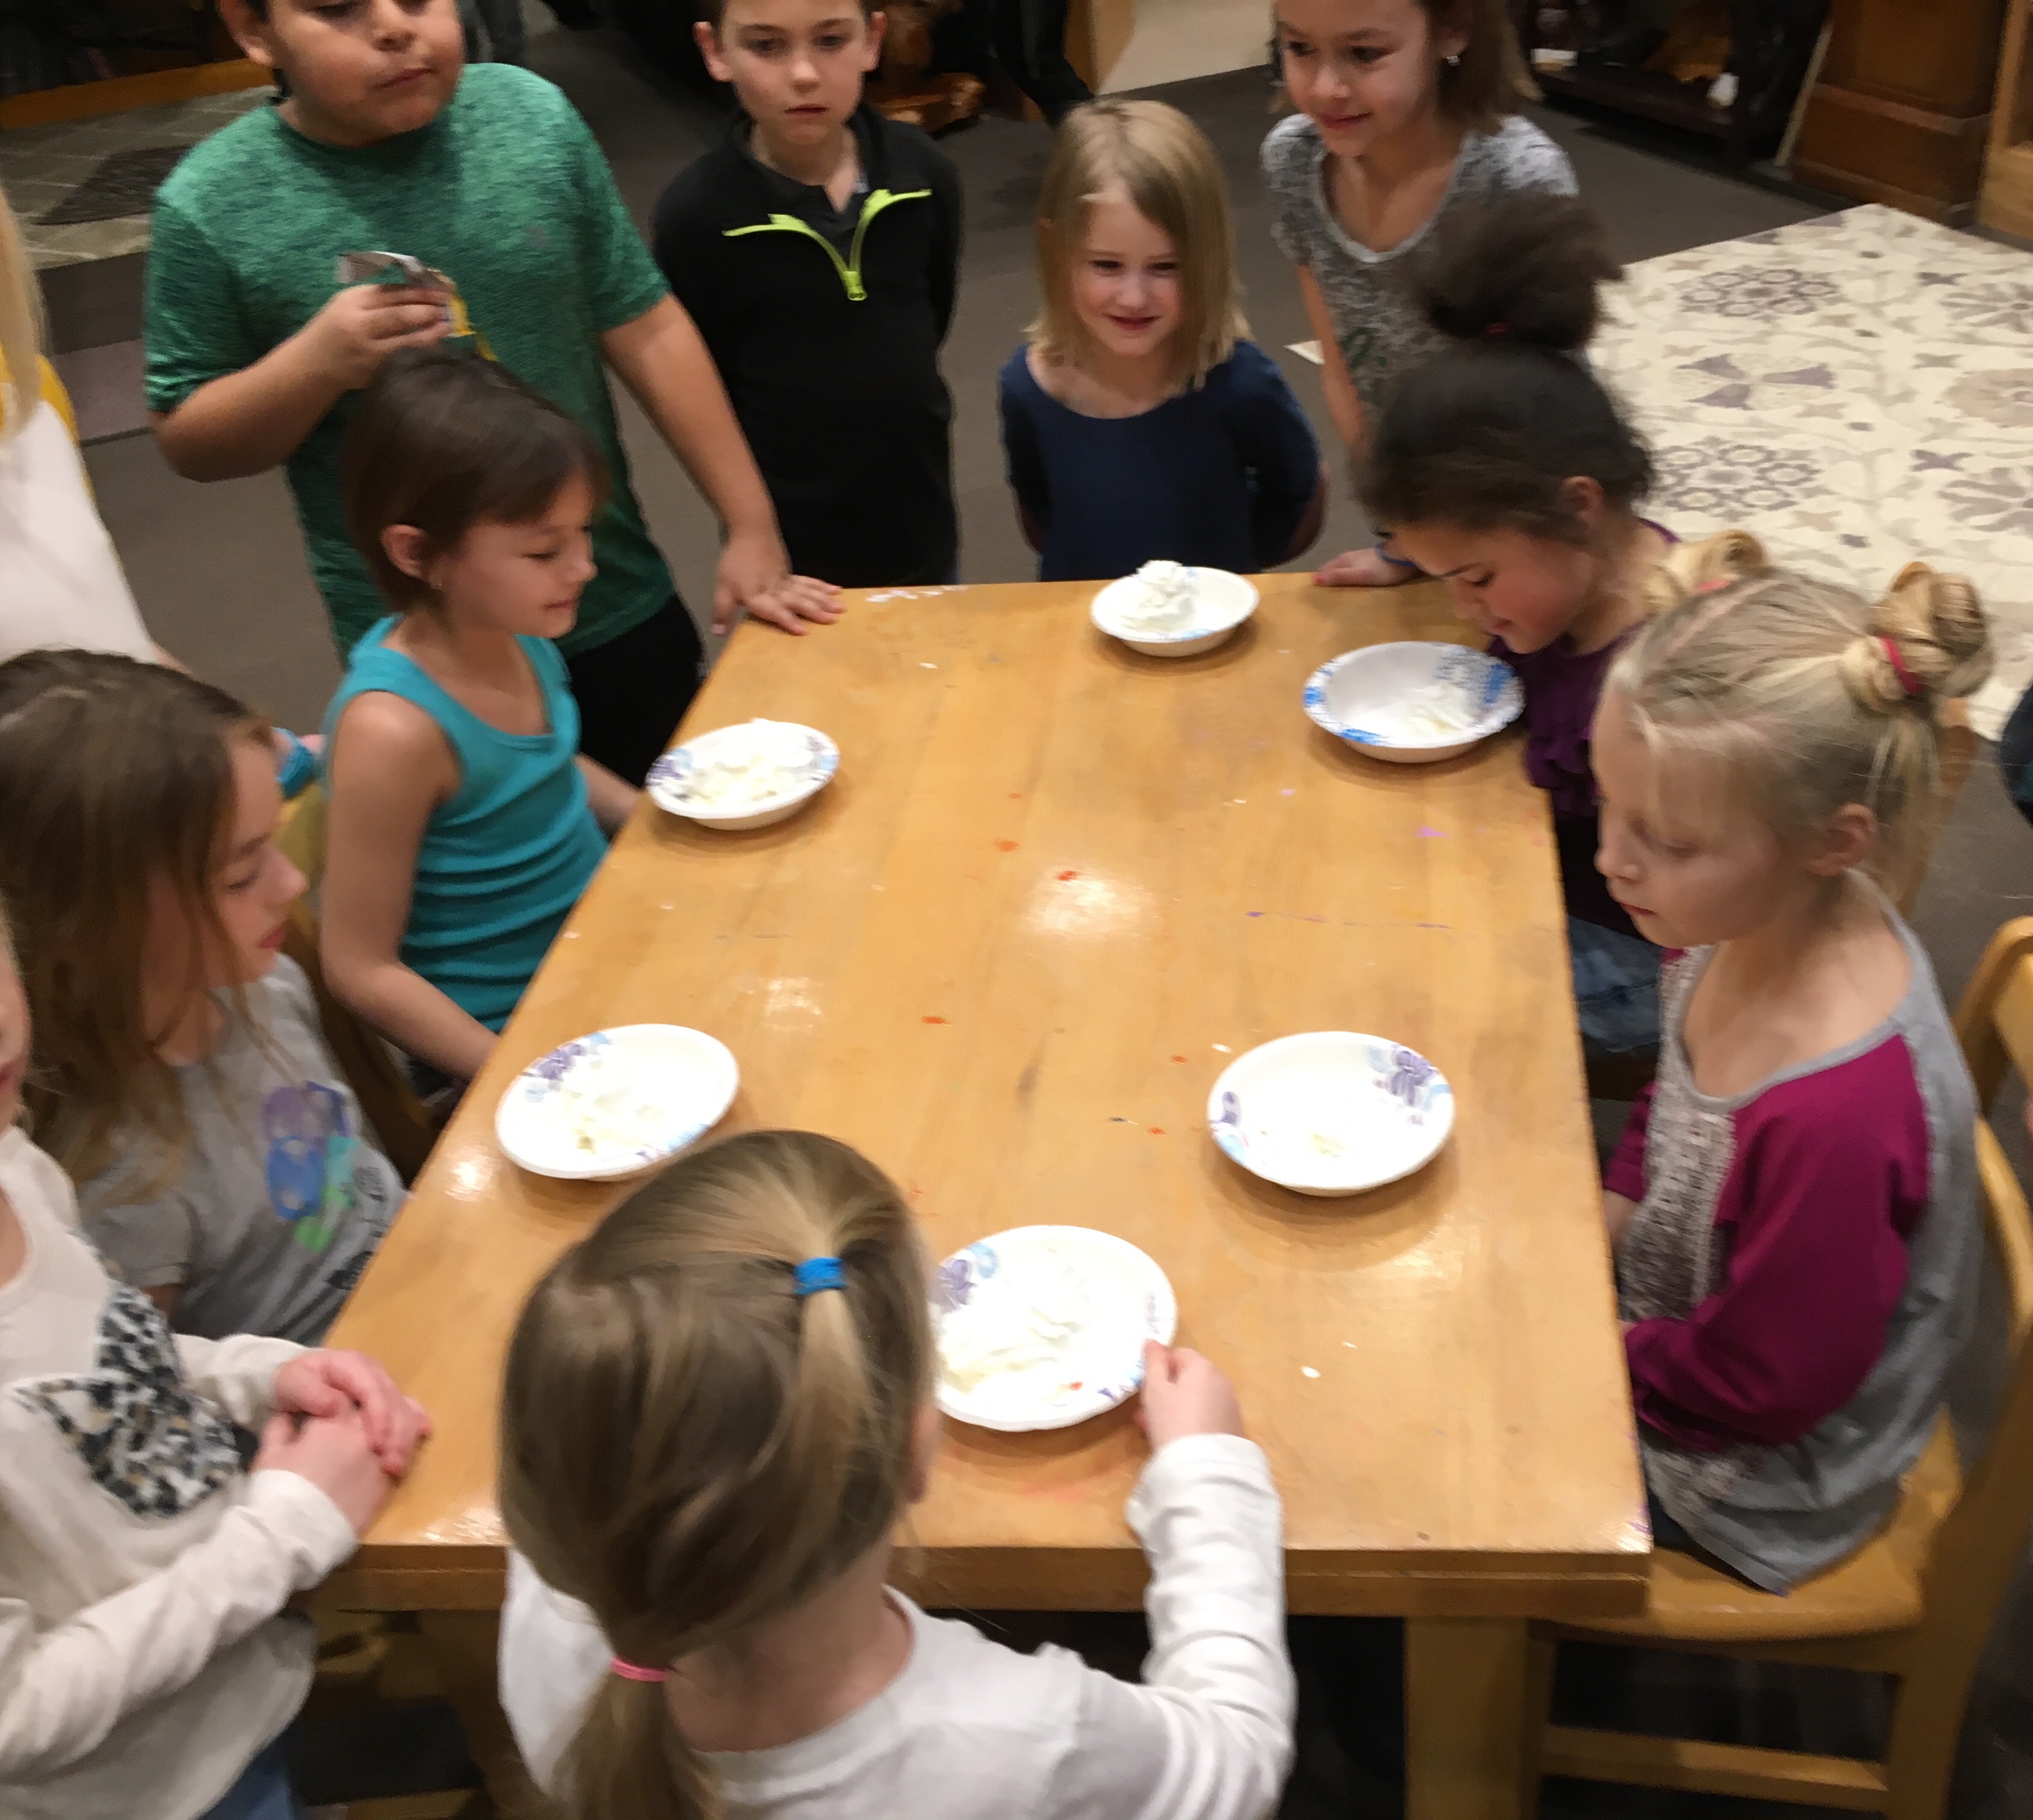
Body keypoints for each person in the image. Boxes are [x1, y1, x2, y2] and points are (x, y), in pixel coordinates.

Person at [494, 1129, 1295, 1819]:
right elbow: (1237, 1754)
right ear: (917, 1450)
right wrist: (1207, 1471)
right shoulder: (1019, 1739)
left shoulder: (551, 1618)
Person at [145, 0, 841, 788]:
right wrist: (316, 364)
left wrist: (749, 522)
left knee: (675, 826)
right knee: (502, 858)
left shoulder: (529, 116)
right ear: (253, 29)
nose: (394, 27)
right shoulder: (211, 205)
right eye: (339, 7)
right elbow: (189, 435)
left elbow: (644, 323)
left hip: (608, 593)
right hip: (433, 659)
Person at [1594, 537, 1990, 1592]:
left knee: (1453, 1451)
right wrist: (1612, 1209)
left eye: (1666, 840)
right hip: (1681, 1328)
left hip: (1751, 1472)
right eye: (1607, 805)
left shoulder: (1834, 1117)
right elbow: (1672, 1092)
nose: (1610, 859)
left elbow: (1766, 1384)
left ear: (1832, 840)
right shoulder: (1735, 918)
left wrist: (1590, 1345)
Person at [0, 894, 429, 1820]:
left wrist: (259, 1374)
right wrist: (280, 1533)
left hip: (244, 1665)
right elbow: (17, 1713)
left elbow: (108, 1355)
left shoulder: (13, 1163)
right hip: (155, 1791)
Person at [0, 651, 402, 1349]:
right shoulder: (123, 1189)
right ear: (87, 923)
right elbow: (167, 1393)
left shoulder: (265, 986)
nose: (291, 884)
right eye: (241, 876)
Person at [1363, 194, 1669, 1058]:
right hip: (1541, 869)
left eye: (1477, 578)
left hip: (1644, 959)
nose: (1467, 608)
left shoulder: (1657, 683)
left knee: (1397, 981)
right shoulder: (1567, 585)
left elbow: (1697, 920)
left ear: (1578, 506)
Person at [322, 349, 634, 1088]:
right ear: (416, 552)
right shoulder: (392, 732)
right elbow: (360, 967)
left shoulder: (517, 633)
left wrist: (655, 819)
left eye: (583, 534)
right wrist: (522, 1079)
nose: (583, 567)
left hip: (601, 962)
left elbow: (542, 765)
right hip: (507, 1043)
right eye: (545, 550)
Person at [652, 0, 964, 590]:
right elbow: (705, 387)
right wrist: (750, 528)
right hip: (792, 559)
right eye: (766, 46)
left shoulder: (925, 174)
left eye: (830, 41)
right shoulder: (696, 217)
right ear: (716, 51)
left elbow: (932, 315)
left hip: (921, 522)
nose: (803, 75)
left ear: (872, 40)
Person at [1262, 0, 1573, 587]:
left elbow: (1550, 409)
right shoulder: (1293, 162)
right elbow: (1345, 371)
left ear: (1453, 28)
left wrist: (1476, 561)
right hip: (1420, 517)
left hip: (1527, 525)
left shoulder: (1518, 180)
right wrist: (1404, 538)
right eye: (1300, 48)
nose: (1325, 88)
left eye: (1364, 54)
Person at [999, 99, 1325, 584]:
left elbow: (1298, 494)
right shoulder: (1026, 389)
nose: (1134, 298)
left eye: (1166, 267)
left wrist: (1232, 564)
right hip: (1082, 621)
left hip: (1214, 621)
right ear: (1057, 249)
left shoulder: (1241, 382)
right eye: (1106, 265)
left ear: (1206, 258)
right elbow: (1039, 512)